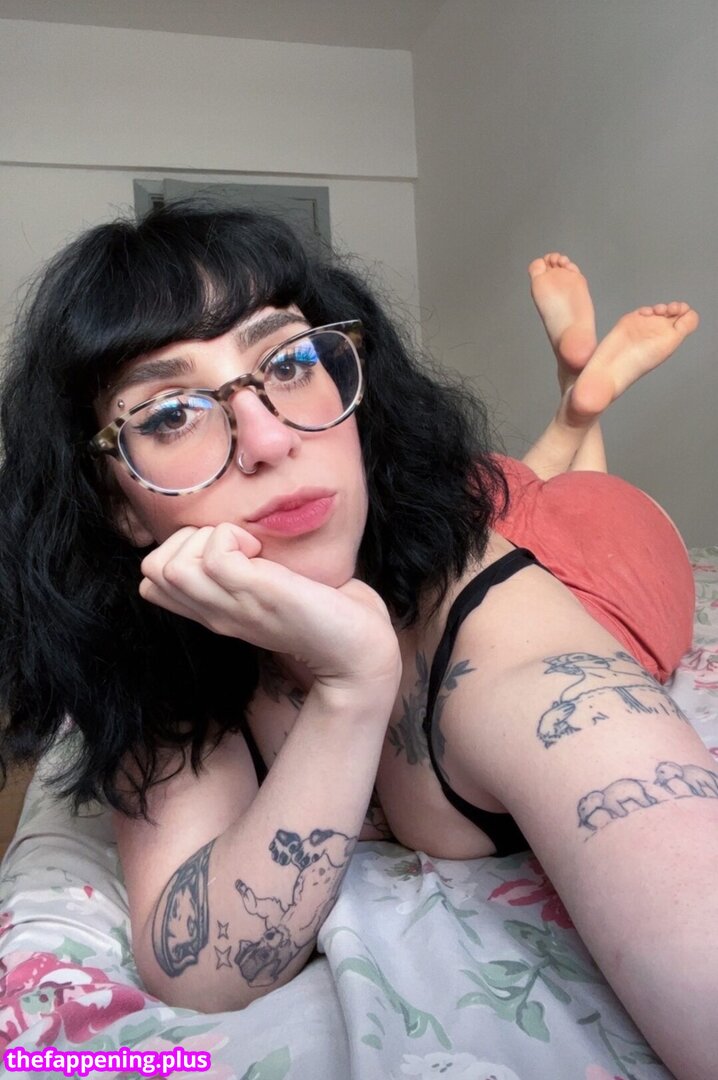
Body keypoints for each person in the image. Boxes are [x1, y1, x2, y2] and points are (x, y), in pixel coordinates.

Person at [0, 203, 714, 1079]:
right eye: (172, 414)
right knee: (506, 479)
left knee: (562, 496)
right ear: (117, 503)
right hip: (424, 515)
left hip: (609, 557)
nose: (269, 440)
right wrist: (351, 686)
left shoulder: (506, 643)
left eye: (291, 362)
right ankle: (570, 411)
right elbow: (199, 969)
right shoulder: (155, 636)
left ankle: (578, 413)